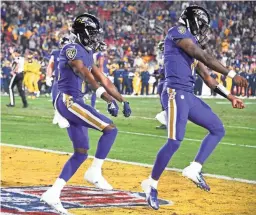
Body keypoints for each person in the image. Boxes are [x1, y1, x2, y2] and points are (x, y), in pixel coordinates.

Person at [141, 5, 247, 210]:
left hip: (188, 95)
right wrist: (232, 75)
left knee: (217, 128)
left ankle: (194, 168)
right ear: (194, 21)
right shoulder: (178, 32)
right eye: (203, 25)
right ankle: (151, 185)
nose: (204, 30)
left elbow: (208, 78)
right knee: (174, 142)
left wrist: (230, 96)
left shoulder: (191, 45)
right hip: (174, 93)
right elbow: (205, 56)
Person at [40, 13, 131, 214]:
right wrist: (107, 99)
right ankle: (95, 172)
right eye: (92, 33)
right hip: (68, 100)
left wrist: (122, 100)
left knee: (81, 152)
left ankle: (53, 193)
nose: (95, 37)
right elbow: (85, 74)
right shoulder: (71, 49)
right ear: (83, 32)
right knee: (110, 129)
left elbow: (103, 79)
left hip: (75, 101)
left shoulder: (87, 53)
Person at [46, 35, 70, 127]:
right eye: (63, 43)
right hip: (57, 79)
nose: (64, 45)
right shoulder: (55, 53)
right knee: (54, 98)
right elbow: (50, 65)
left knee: (65, 100)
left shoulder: (73, 54)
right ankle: (57, 114)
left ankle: (63, 118)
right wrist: (48, 76)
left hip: (68, 80)